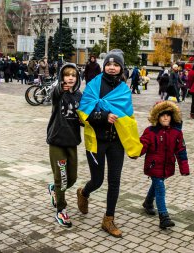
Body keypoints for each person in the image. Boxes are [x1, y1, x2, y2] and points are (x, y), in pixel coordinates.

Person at [76, 49, 143, 237]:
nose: (112, 68)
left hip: (116, 143)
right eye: (109, 64)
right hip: (97, 141)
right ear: (104, 66)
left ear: (121, 68)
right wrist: (104, 115)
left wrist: (134, 144)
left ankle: (108, 219)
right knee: (97, 181)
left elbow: (128, 119)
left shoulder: (123, 89)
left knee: (115, 182)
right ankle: (84, 192)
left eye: (116, 65)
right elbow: (83, 114)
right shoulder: (93, 85)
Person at [139, 101, 189, 229]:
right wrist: (135, 151)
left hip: (167, 166)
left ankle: (148, 202)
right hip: (153, 166)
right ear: (157, 117)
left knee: (157, 184)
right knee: (160, 189)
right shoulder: (150, 131)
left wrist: (184, 167)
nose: (165, 117)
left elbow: (181, 150)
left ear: (172, 117)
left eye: (168, 115)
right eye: (162, 115)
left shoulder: (176, 132)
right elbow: (142, 145)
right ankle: (164, 217)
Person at [46, 63, 82, 227]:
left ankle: (55, 188)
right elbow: (56, 92)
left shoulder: (79, 96)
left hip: (72, 141)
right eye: (67, 75)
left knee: (72, 179)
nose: (70, 78)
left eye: (73, 75)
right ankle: (61, 210)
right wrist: (61, 87)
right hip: (57, 140)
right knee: (62, 177)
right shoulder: (58, 93)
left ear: (77, 78)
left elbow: (82, 117)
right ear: (62, 77)